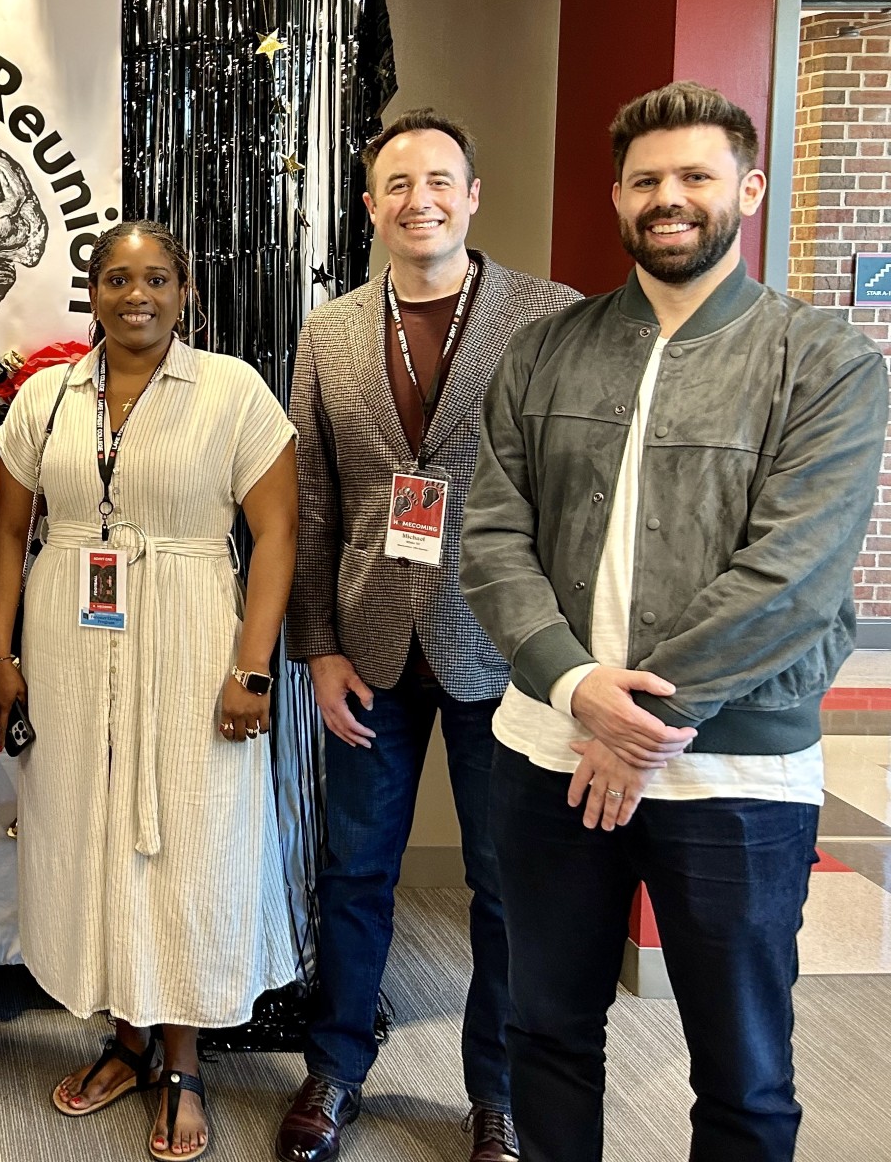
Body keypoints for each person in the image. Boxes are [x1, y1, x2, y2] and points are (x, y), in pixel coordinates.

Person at [460, 82, 889, 1162]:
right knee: (545, 1032)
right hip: (548, 756)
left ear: (746, 187)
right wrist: (572, 688)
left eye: (696, 176)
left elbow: (792, 576)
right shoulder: (547, 352)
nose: (670, 199)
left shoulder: (825, 361)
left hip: (732, 779)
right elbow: (492, 538)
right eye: (647, 180)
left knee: (743, 1075)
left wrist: (642, 718)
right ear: (617, 197)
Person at [280, 111, 579, 1162]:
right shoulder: (329, 331)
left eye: (440, 180)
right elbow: (315, 502)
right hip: (367, 645)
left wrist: (570, 662)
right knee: (355, 870)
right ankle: (334, 1069)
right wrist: (314, 645)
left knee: (504, 885)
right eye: (397, 184)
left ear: (473, 194)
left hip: (508, 648)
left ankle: (494, 1094)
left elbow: (576, 497)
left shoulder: (549, 318)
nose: (420, 200)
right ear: (371, 206)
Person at [0, 221, 299, 1162]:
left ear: (185, 291)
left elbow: (275, 537)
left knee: (187, 836)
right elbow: (9, 535)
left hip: (196, 635)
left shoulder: (233, 390)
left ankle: (186, 1059)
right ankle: (125, 1036)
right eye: (116, 278)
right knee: (92, 827)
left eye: (156, 277)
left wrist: (251, 666)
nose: (136, 295)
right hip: (71, 639)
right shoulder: (46, 397)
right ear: (93, 292)